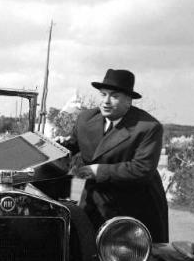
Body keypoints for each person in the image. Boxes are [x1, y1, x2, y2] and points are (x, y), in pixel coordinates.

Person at [56, 69, 168, 243]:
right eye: (103, 95)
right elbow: (73, 145)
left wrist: (98, 171)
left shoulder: (148, 127)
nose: (106, 102)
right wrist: (58, 145)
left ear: (129, 101)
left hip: (133, 204)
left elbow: (142, 169)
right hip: (93, 199)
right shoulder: (85, 119)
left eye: (114, 96)